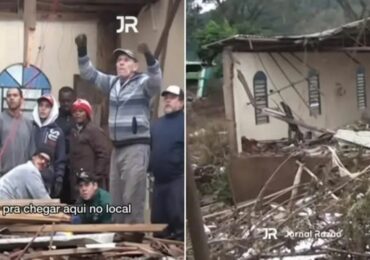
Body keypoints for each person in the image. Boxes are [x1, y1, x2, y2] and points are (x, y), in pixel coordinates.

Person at [75, 34, 162, 223]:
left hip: (136, 147)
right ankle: (120, 233)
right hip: (117, 147)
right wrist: (82, 50)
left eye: (126, 60)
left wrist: (148, 55)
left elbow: (156, 80)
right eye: (119, 60)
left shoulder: (143, 83)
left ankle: (133, 236)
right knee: (116, 195)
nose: (121, 63)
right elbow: (88, 74)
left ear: (135, 66)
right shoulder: (112, 83)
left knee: (132, 194)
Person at [149, 85, 184, 241]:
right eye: (166, 97)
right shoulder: (157, 124)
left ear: (181, 102)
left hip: (177, 179)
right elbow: (151, 148)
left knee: (176, 217)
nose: (168, 100)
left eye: (172, 97)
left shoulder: (183, 123)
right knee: (157, 219)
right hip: (158, 181)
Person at [69, 98, 110, 202]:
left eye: (81, 111)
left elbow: (103, 154)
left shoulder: (94, 130)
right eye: (75, 111)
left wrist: (95, 176)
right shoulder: (73, 131)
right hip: (78, 181)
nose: (77, 114)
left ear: (87, 113)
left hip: (92, 181)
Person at [33, 94, 66, 198]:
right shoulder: (30, 127)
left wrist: (59, 178)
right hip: (28, 175)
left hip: (47, 179)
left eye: (47, 106)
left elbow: (61, 158)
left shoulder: (57, 132)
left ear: (52, 109)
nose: (43, 109)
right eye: (41, 105)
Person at [0, 87, 35, 176]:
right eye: (9, 96)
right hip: (3, 175)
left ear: (21, 99)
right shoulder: (1, 119)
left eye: (15, 95)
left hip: (22, 175)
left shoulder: (28, 123)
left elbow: (31, 153)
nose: (11, 98)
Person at [55, 86, 77, 204]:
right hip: (59, 166)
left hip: (76, 167)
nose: (65, 104)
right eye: (63, 101)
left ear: (74, 100)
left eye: (68, 101)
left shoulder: (79, 117)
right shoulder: (54, 118)